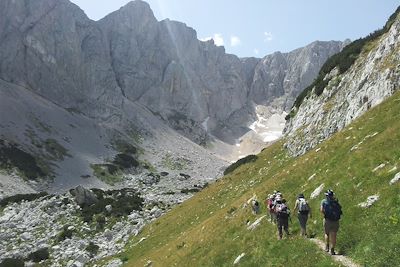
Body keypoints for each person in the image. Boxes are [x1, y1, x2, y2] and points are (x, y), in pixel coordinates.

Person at [320, 189, 343, 255]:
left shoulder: (324, 201)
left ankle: (327, 247)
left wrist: (325, 214)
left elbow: (321, 210)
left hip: (327, 220)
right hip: (336, 221)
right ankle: (332, 249)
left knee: (327, 233)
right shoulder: (335, 201)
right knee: (334, 235)